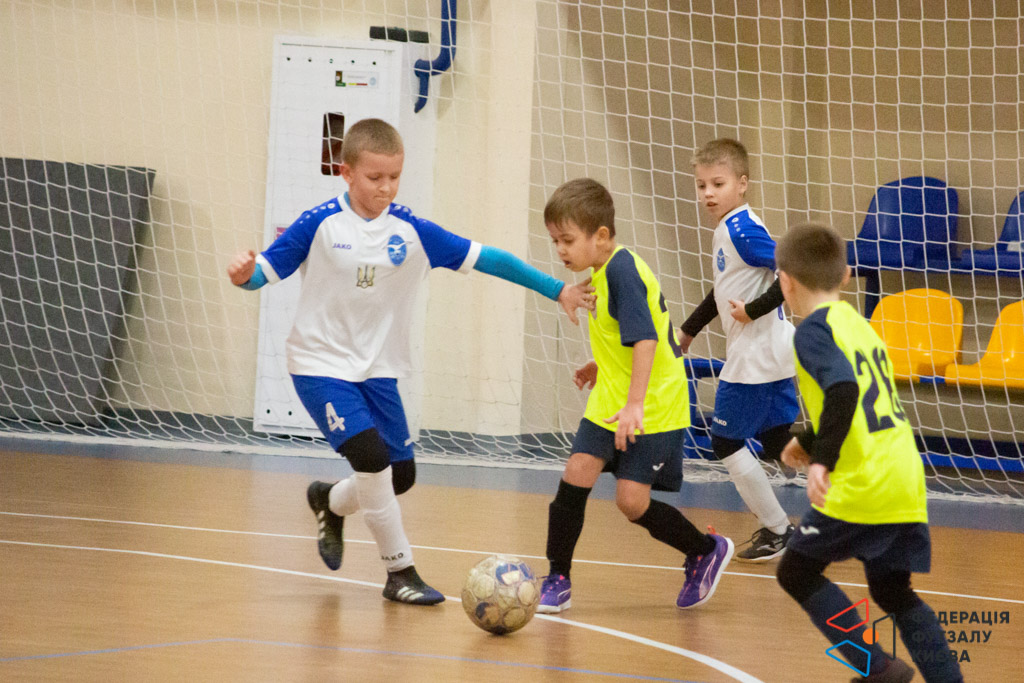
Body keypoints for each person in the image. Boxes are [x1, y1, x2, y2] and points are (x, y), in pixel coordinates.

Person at [226, 118, 594, 606]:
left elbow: (490, 259)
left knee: (400, 475)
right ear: (346, 173)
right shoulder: (318, 224)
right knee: (371, 459)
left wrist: (558, 289)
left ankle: (329, 500)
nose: (386, 187)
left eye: (395, 177)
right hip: (319, 365)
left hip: (378, 371)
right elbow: (263, 274)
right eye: (375, 177)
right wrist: (244, 274)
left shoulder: (413, 231)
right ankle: (400, 573)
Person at [775, 223, 963, 683]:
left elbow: (843, 389)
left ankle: (876, 668)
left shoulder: (812, 331)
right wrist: (809, 440)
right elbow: (860, 397)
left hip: (864, 479)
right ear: (844, 276)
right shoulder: (861, 325)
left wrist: (822, 460)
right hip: (903, 473)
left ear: (785, 281)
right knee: (893, 591)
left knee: (796, 572)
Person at [536, 177, 733, 614]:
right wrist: (601, 363)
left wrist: (635, 404)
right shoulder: (601, 272)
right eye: (555, 242)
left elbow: (646, 340)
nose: (560, 250)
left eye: (567, 240)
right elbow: (626, 336)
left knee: (631, 501)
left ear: (601, 235)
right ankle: (558, 578)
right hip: (614, 395)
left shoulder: (622, 272)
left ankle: (704, 550)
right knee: (576, 473)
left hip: (654, 403)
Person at [679, 138, 797, 562]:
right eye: (701, 185)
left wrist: (753, 310)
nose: (708, 193)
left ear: (742, 183)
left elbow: (790, 270)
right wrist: (689, 330)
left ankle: (779, 531)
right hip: (773, 352)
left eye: (718, 184)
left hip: (755, 358)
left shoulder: (741, 230)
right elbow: (725, 291)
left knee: (725, 442)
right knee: (777, 439)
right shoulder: (731, 227)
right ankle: (859, 492)